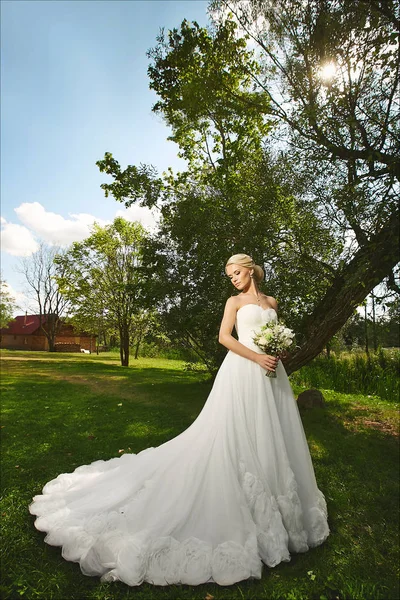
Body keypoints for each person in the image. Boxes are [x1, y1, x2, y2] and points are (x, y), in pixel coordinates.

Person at [29, 253, 330, 587]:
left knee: (274, 433)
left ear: (250, 270)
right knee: (236, 434)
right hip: (243, 371)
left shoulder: (272, 300)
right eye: (228, 274)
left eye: (236, 272)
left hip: (272, 375)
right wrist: (256, 355)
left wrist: (277, 351)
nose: (232, 278)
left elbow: (272, 333)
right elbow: (225, 338)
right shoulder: (233, 302)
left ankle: (282, 508)